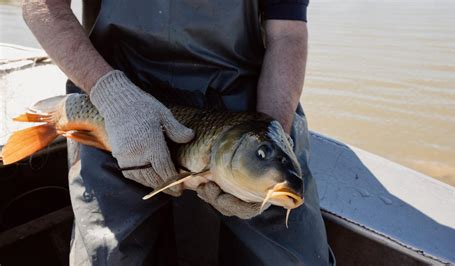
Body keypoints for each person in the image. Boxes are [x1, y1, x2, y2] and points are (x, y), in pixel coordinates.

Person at [22, 0, 334, 265]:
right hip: (118, 98)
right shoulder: (115, 98)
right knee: (104, 255)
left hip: (244, 108)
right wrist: (112, 94)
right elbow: (41, 4)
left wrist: (269, 133)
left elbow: (287, 34)